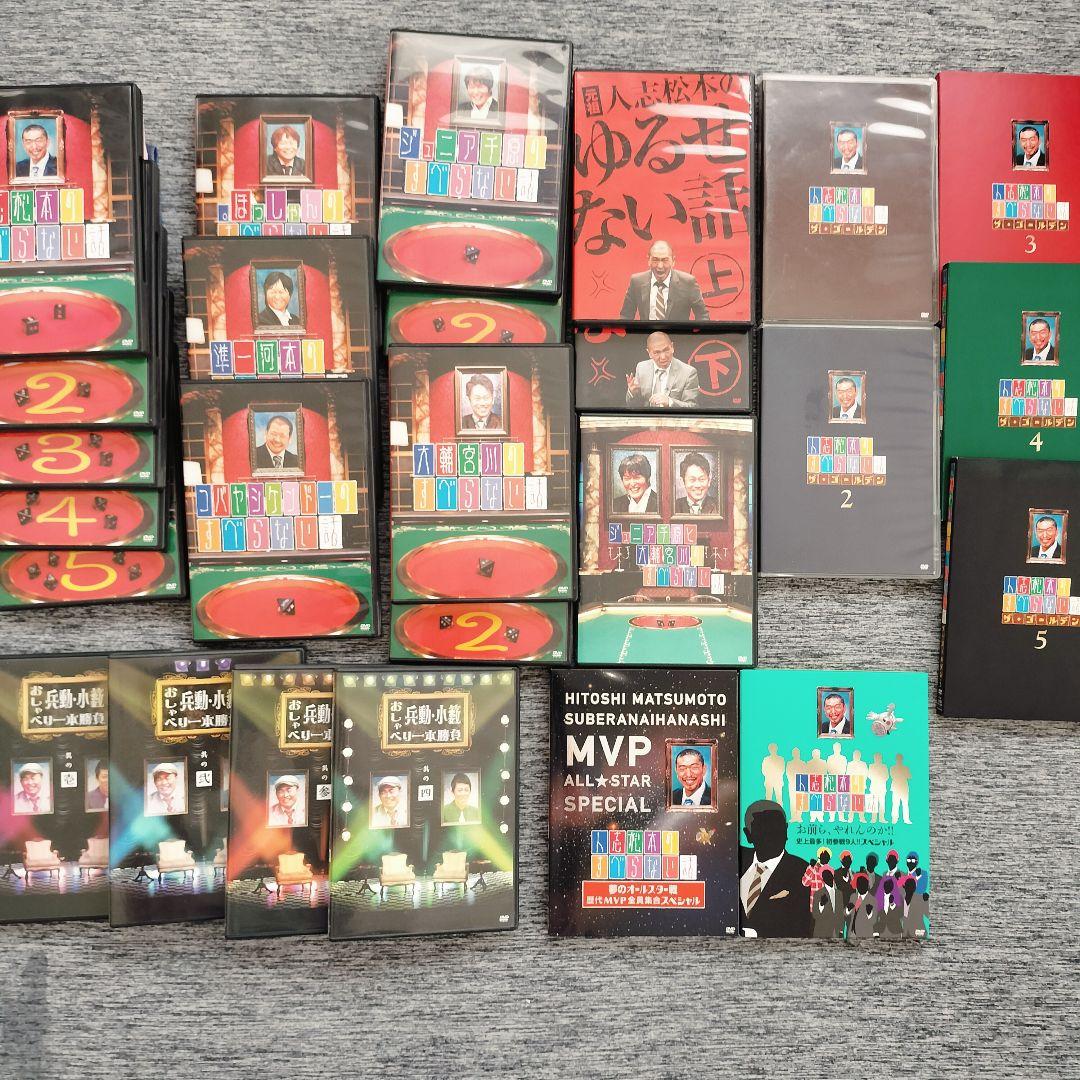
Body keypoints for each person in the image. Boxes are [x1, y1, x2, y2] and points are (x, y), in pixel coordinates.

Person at [739, 800, 811, 937]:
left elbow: (805, 926)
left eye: (777, 828)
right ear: (748, 835)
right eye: (762, 829)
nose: (772, 835)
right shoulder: (734, 858)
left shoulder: (804, 872)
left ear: (786, 830)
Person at [619, 241, 708, 322]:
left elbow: (703, 315)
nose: (660, 266)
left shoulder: (688, 282)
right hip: (647, 334)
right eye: (655, 260)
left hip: (677, 334)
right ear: (649, 260)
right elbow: (626, 316)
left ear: (673, 261)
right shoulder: (637, 281)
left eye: (665, 260)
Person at [625, 332, 700, 408]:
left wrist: (669, 402)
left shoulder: (688, 372)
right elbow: (634, 406)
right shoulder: (642, 368)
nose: (663, 357)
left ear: (672, 347)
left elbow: (692, 406)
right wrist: (633, 393)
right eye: (657, 352)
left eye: (666, 350)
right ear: (649, 353)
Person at [811, 868, 845, 938]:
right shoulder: (818, 894)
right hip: (822, 932)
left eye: (830, 876)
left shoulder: (839, 893)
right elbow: (815, 914)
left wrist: (841, 930)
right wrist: (821, 905)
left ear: (833, 877)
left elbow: (840, 913)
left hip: (836, 932)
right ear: (823, 880)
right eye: (826, 877)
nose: (828, 878)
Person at [889, 753, 912, 824]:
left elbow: (909, 776)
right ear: (896, 759)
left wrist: (901, 774)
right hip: (896, 788)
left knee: (905, 804)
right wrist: (903, 774)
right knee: (895, 804)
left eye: (900, 759)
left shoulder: (905, 768)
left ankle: (906, 819)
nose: (899, 760)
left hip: (904, 788)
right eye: (898, 759)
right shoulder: (892, 768)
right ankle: (894, 819)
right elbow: (893, 776)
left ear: (902, 759)